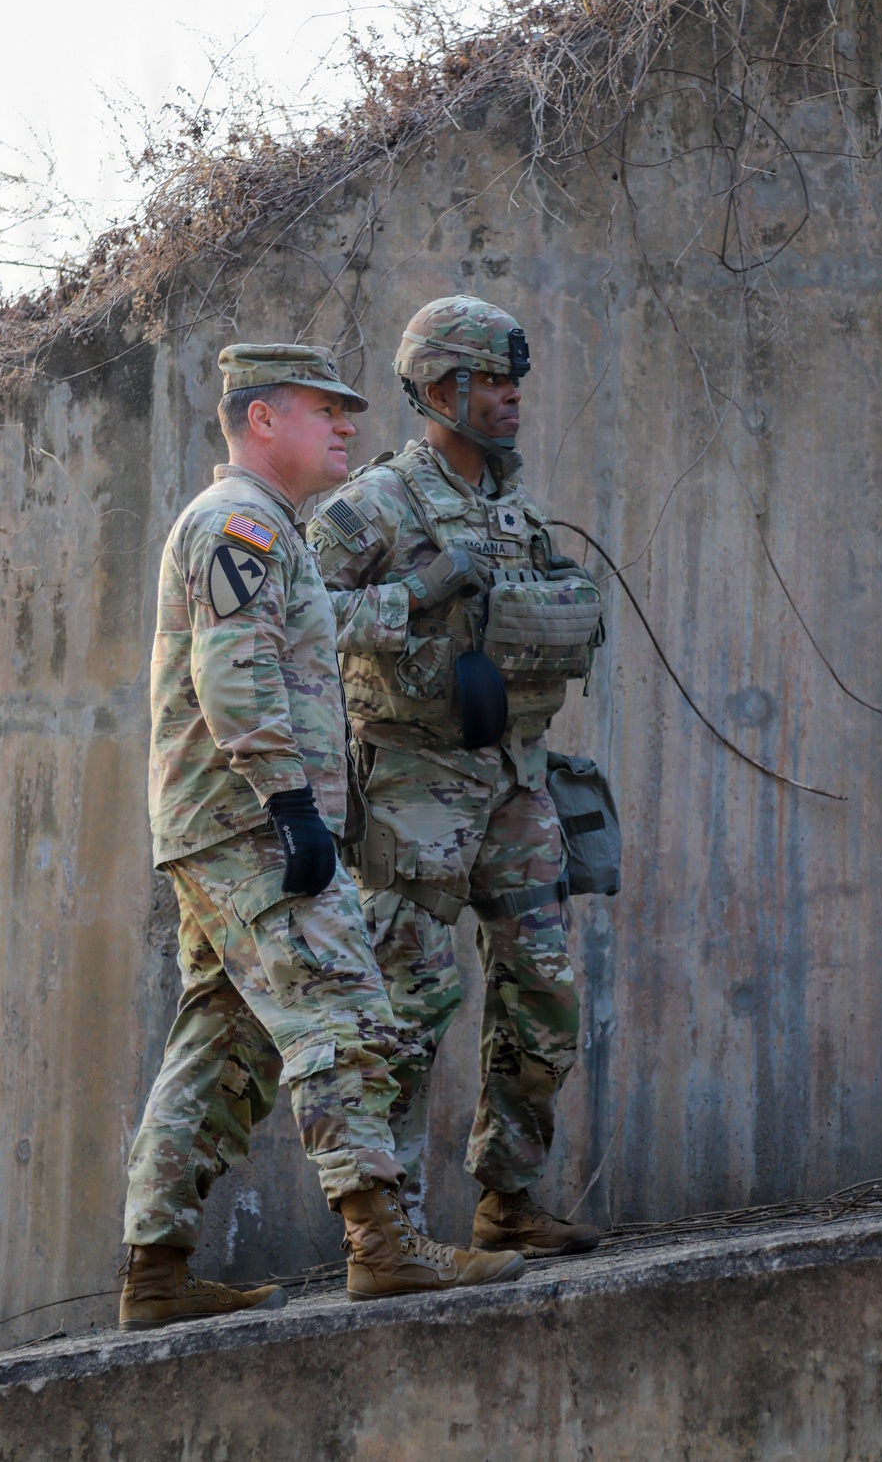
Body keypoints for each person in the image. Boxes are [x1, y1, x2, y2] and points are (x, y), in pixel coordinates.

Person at [119, 342, 525, 1329]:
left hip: (229, 822)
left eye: (348, 410)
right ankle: (381, 1245)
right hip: (250, 825)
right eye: (322, 409)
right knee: (347, 1013)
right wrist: (289, 807)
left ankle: (155, 1270)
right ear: (262, 420)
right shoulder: (240, 522)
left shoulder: (269, 528)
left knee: (224, 1051)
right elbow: (236, 672)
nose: (346, 424)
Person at [308, 297, 605, 1257]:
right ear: (440, 389)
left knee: (546, 993)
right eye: (494, 379)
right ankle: (388, 1237)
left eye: (516, 379)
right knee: (410, 1003)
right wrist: (421, 593)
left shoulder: (509, 507)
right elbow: (299, 621)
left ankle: (508, 1199)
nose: (514, 395)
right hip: (414, 784)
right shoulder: (372, 506)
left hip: (515, 778)